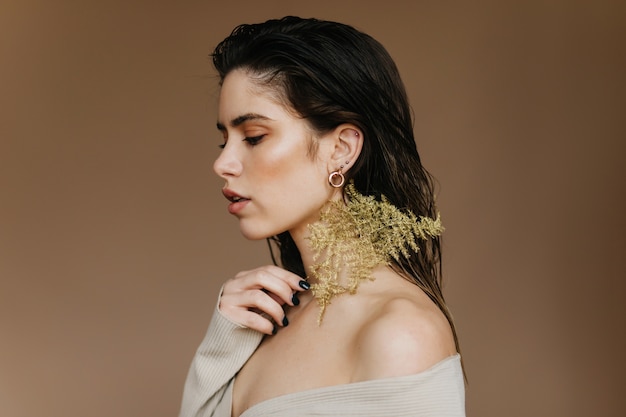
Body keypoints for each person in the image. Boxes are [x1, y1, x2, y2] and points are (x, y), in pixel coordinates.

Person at [179, 16, 465, 417]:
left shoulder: (399, 334)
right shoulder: (265, 319)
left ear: (342, 149)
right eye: (224, 140)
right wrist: (220, 344)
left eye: (254, 137)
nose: (223, 163)